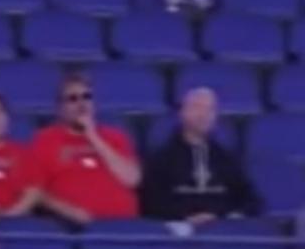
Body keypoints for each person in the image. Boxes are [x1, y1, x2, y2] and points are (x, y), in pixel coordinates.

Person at [30, 72, 141, 224]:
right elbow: (36, 191)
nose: (81, 104)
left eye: (86, 97)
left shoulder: (115, 136)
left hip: (122, 224)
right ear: (60, 108)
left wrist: (93, 137)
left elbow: (132, 179)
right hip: (73, 225)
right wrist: (68, 211)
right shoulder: (45, 139)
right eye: (72, 99)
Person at [141, 88, 261, 223]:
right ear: (182, 112)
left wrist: (220, 216)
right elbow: (150, 202)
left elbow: (251, 200)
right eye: (197, 107)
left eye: (210, 109)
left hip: (220, 231)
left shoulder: (225, 158)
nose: (203, 115)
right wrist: (185, 218)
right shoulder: (161, 157)